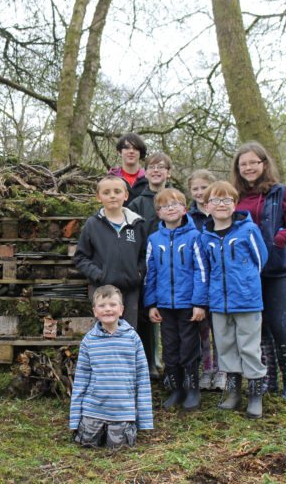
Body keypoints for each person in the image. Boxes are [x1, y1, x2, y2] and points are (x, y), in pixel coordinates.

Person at [232, 142, 286, 404]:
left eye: (253, 162)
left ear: (263, 164)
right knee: (259, 327)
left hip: (278, 270)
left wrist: (279, 238)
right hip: (247, 273)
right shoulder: (236, 197)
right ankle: (268, 380)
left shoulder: (280, 193)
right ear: (238, 169)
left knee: (279, 325)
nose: (249, 168)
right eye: (243, 164)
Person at [201, 181, 269, 419]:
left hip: (247, 300)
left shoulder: (248, 230)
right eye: (216, 200)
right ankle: (233, 392)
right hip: (219, 303)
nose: (221, 205)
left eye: (227, 200)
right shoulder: (205, 236)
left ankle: (255, 395)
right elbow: (205, 270)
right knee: (226, 346)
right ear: (207, 206)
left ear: (234, 204)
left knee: (249, 346)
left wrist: (246, 283)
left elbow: (261, 259)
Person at [144, 188, 207, 411]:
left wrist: (199, 303)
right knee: (169, 347)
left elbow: (201, 271)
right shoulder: (154, 240)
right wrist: (151, 303)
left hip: (188, 304)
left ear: (184, 208)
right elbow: (150, 273)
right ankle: (176, 388)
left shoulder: (195, 237)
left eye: (175, 204)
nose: (170, 208)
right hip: (164, 305)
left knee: (189, 346)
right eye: (164, 206)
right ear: (158, 213)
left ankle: (192, 388)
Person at [69, 285, 153, 448]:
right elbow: (80, 381)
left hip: (122, 412)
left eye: (112, 305)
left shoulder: (132, 338)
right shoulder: (89, 340)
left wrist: (145, 421)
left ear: (121, 309)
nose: (107, 309)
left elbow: (142, 380)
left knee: (119, 448)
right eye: (102, 305)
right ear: (95, 311)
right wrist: (74, 420)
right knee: (86, 445)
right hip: (92, 410)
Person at [74, 174, 147, 330]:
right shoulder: (92, 224)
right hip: (102, 290)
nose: (112, 196)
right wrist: (99, 275)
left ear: (126, 195)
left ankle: (127, 356)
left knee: (128, 331)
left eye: (117, 191)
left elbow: (144, 254)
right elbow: (81, 257)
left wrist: (138, 273)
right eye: (106, 192)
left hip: (130, 290)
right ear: (99, 197)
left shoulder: (137, 224)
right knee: (104, 332)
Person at [127, 152, 174, 380]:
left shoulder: (175, 200)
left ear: (168, 172)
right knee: (146, 317)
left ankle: (172, 366)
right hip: (145, 269)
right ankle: (149, 364)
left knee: (171, 317)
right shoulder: (137, 202)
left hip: (173, 270)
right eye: (152, 167)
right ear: (146, 171)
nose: (156, 170)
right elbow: (129, 235)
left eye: (161, 167)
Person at [187, 169, 226, 391]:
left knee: (220, 328)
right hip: (198, 282)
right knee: (202, 329)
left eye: (204, 188)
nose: (200, 192)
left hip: (220, 281)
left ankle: (222, 370)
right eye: (196, 189)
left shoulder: (221, 212)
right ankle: (207, 368)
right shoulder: (189, 218)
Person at [108, 132, 149, 205]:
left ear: (140, 153)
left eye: (135, 148)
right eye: (127, 148)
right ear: (119, 152)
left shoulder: (149, 178)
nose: (131, 151)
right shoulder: (110, 179)